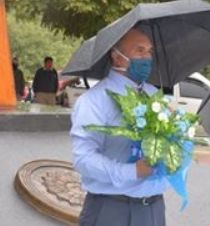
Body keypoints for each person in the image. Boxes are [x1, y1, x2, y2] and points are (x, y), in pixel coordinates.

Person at [70, 26, 168, 226]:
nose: (147, 58)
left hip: (153, 210)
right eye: (139, 50)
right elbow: (83, 158)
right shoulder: (94, 101)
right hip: (111, 209)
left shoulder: (153, 96)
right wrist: (132, 171)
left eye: (149, 51)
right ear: (117, 56)